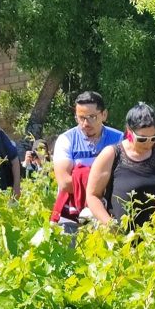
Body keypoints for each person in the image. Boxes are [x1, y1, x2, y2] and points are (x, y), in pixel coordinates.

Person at [85, 102, 155, 228]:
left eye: (154, 137)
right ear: (129, 132)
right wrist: (110, 224)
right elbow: (92, 195)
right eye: (142, 139)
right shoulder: (111, 154)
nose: (148, 143)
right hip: (123, 238)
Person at [50, 92, 124, 227]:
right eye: (81, 118)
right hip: (72, 216)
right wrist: (99, 189)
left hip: (110, 213)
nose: (85, 123)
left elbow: (125, 177)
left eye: (92, 117)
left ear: (104, 115)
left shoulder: (119, 139)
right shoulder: (66, 140)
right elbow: (65, 182)